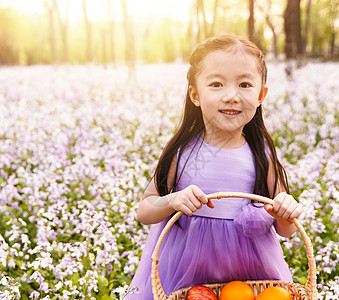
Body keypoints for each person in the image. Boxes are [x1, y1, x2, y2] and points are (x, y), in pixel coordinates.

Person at [127, 33, 302, 299]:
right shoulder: (182, 151)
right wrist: (173, 200)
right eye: (217, 84)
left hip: (250, 276)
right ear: (195, 95)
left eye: (244, 85)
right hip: (185, 271)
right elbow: (144, 211)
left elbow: (285, 229)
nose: (231, 96)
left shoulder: (261, 154)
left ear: (261, 95)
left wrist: (285, 210)